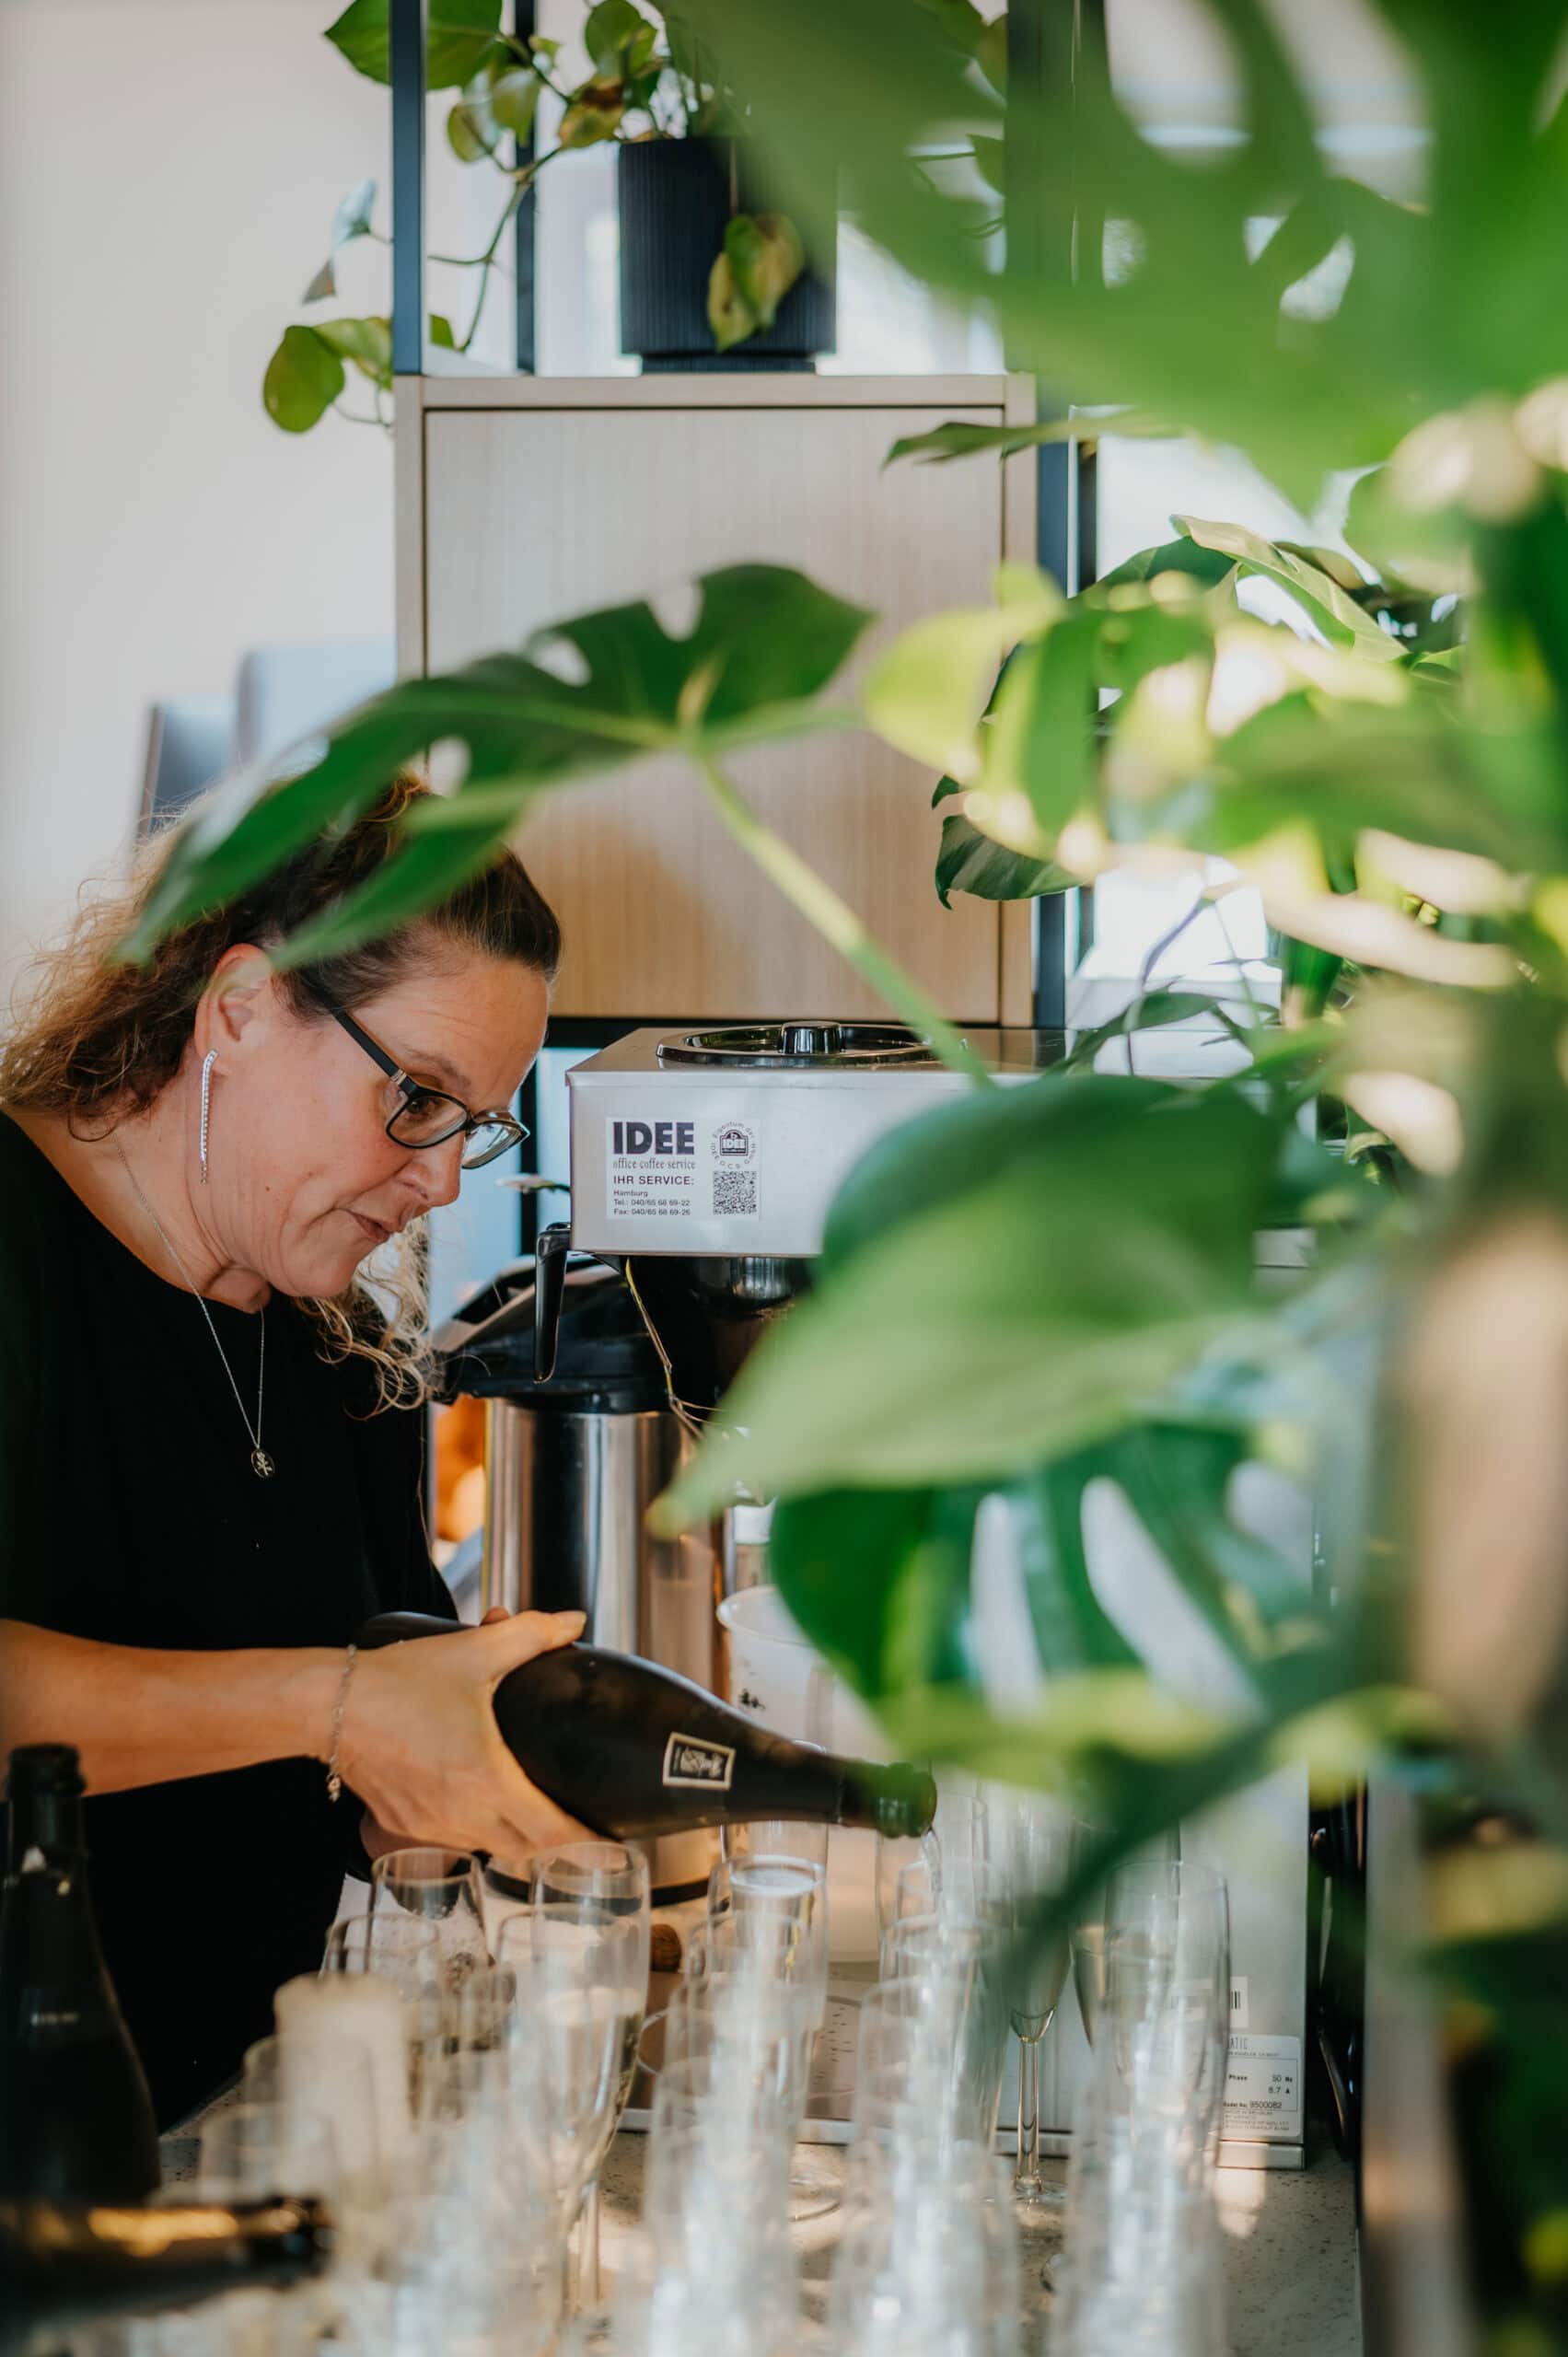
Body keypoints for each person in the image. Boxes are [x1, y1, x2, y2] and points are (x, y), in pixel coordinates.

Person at [0, 776, 588, 2125]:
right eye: (418, 1097)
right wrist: (338, 1708)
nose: (442, 1180)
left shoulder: (338, 1357)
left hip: (211, 2143)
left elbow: (368, 1760)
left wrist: (463, 1765)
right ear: (242, 1006)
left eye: (477, 1125)